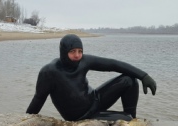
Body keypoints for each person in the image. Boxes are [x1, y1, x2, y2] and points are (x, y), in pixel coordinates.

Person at [26, 34, 157, 121]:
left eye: (80, 51)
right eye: (72, 51)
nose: (77, 55)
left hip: (96, 99)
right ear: (64, 52)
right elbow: (39, 99)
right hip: (82, 117)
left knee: (129, 80)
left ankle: (133, 119)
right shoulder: (49, 72)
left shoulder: (84, 61)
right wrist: (25, 120)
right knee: (126, 119)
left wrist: (143, 76)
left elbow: (113, 64)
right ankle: (129, 120)